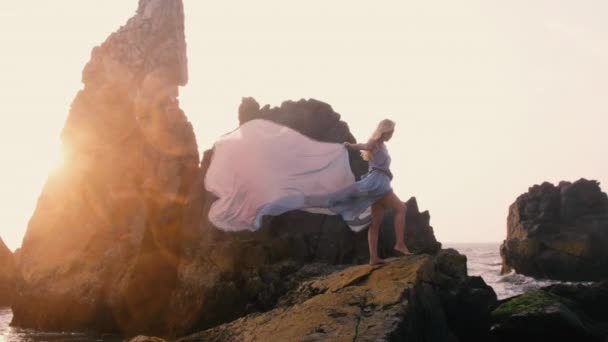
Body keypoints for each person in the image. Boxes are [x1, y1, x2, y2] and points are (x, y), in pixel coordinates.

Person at [344, 119, 412, 264]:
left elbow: (380, 164)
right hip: (378, 184)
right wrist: (350, 146)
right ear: (384, 130)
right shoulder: (374, 142)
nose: (391, 135)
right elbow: (365, 146)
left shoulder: (382, 146)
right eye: (391, 132)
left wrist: (388, 173)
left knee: (375, 224)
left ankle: (373, 258)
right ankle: (399, 244)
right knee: (401, 208)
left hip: (377, 183)